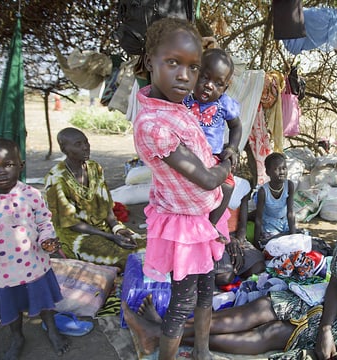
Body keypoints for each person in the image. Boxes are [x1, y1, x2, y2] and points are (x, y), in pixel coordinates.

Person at [123, 164, 337, 359]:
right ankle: (165, 330)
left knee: (273, 333)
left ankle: (161, 333)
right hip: (333, 302)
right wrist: (325, 326)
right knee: (260, 308)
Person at [132, 17, 233, 360]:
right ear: (149, 62)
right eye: (173, 63)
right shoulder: (152, 124)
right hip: (185, 224)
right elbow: (205, 178)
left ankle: (202, 353)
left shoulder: (174, 106)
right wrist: (228, 165)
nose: (184, 76)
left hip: (203, 219)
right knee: (182, 302)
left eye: (193, 67)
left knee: (207, 292)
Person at [0, 138, 70, 359]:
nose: (1, 172)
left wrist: (47, 240)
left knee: (45, 303)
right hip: (0, 271)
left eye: (8, 164)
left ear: (21, 165)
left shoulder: (31, 195)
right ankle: (17, 337)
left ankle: (52, 330)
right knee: (12, 308)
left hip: (35, 265)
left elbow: (44, 222)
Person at [43, 127, 145, 271]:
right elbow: (72, 224)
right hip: (76, 236)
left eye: (86, 142)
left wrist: (116, 228)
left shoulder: (94, 168)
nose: (85, 147)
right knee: (124, 257)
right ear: (64, 149)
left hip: (104, 228)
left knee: (146, 247)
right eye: (78, 144)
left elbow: (106, 204)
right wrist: (110, 237)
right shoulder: (56, 180)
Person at [183, 47, 242, 225]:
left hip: (213, 157)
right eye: (205, 77)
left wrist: (232, 148)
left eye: (218, 83)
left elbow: (236, 126)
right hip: (186, 155)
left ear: (225, 88)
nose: (209, 85)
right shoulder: (184, 99)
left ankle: (212, 224)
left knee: (228, 185)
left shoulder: (224, 104)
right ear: (195, 73)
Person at [254, 152, 296, 247]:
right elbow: (258, 218)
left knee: (300, 237)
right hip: (270, 223)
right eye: (277, 169)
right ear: (267, 172)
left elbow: (290, 213)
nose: (282, 172)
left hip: (285, 221)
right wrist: (256, 242)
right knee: (274, 244)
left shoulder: (289, 185)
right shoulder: (263, 191)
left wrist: (294, 237)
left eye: (284, 168)